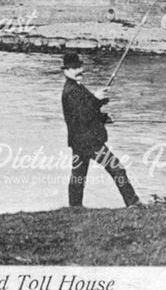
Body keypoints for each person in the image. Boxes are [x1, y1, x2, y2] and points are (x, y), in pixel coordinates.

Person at [60, 52, 141, 208]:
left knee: (78, 176)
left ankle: (74, 207)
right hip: (89, 141)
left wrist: (103, 117)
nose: (79, 70)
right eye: (74, 68)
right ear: (66, 71)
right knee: (117, 168)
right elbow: (83, 115)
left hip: (79, 141)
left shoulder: (75, 88)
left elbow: (87, 112)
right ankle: (133, 203)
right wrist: (96, 99)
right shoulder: (70, 91)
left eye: (79, 66)